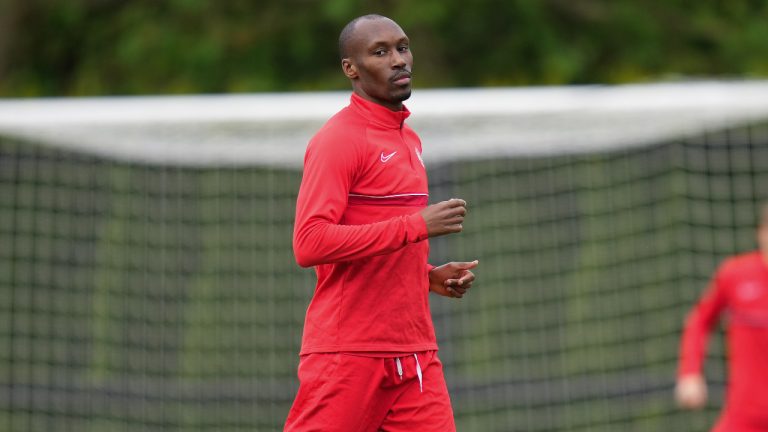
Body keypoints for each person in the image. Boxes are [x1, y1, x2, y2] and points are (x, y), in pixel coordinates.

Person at [284, 14, 478, 432]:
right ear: (350, 68)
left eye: (403, 47)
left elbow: (376, 237)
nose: (398, 60)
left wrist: (425, 276)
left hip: (415, 353)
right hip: (348, 354)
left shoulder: (408, 140)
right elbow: (310, 244)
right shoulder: (339, 140)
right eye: (380, 52)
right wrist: (415, 226)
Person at [675, 205, 768, 431]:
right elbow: (699, 321)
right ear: (761, 232)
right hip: (745, 415)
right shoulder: (735, 275)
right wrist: (690, 372)